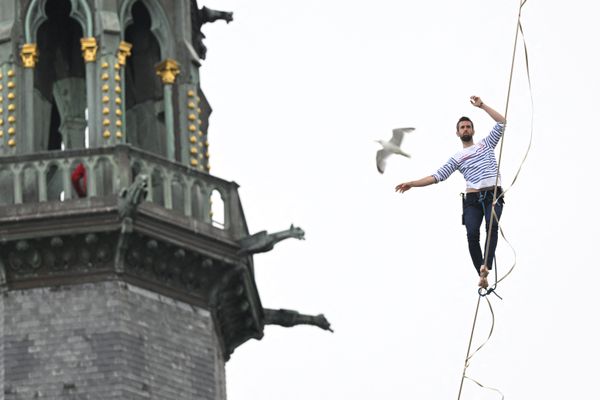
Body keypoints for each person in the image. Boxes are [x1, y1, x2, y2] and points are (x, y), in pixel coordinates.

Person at [395, 96, 506, 289]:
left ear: (473, 130)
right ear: (457, 133)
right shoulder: (457, 158)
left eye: (468, 126)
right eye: (462, 127)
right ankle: (481, 271)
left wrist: (482, 106)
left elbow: (502, 122)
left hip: (492, 195)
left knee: (491, 227)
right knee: (472, 234)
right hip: (472, 199)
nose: (465, 129)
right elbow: (437, 176)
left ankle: (486, 266)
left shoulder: (486, 144)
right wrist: (412, 183)